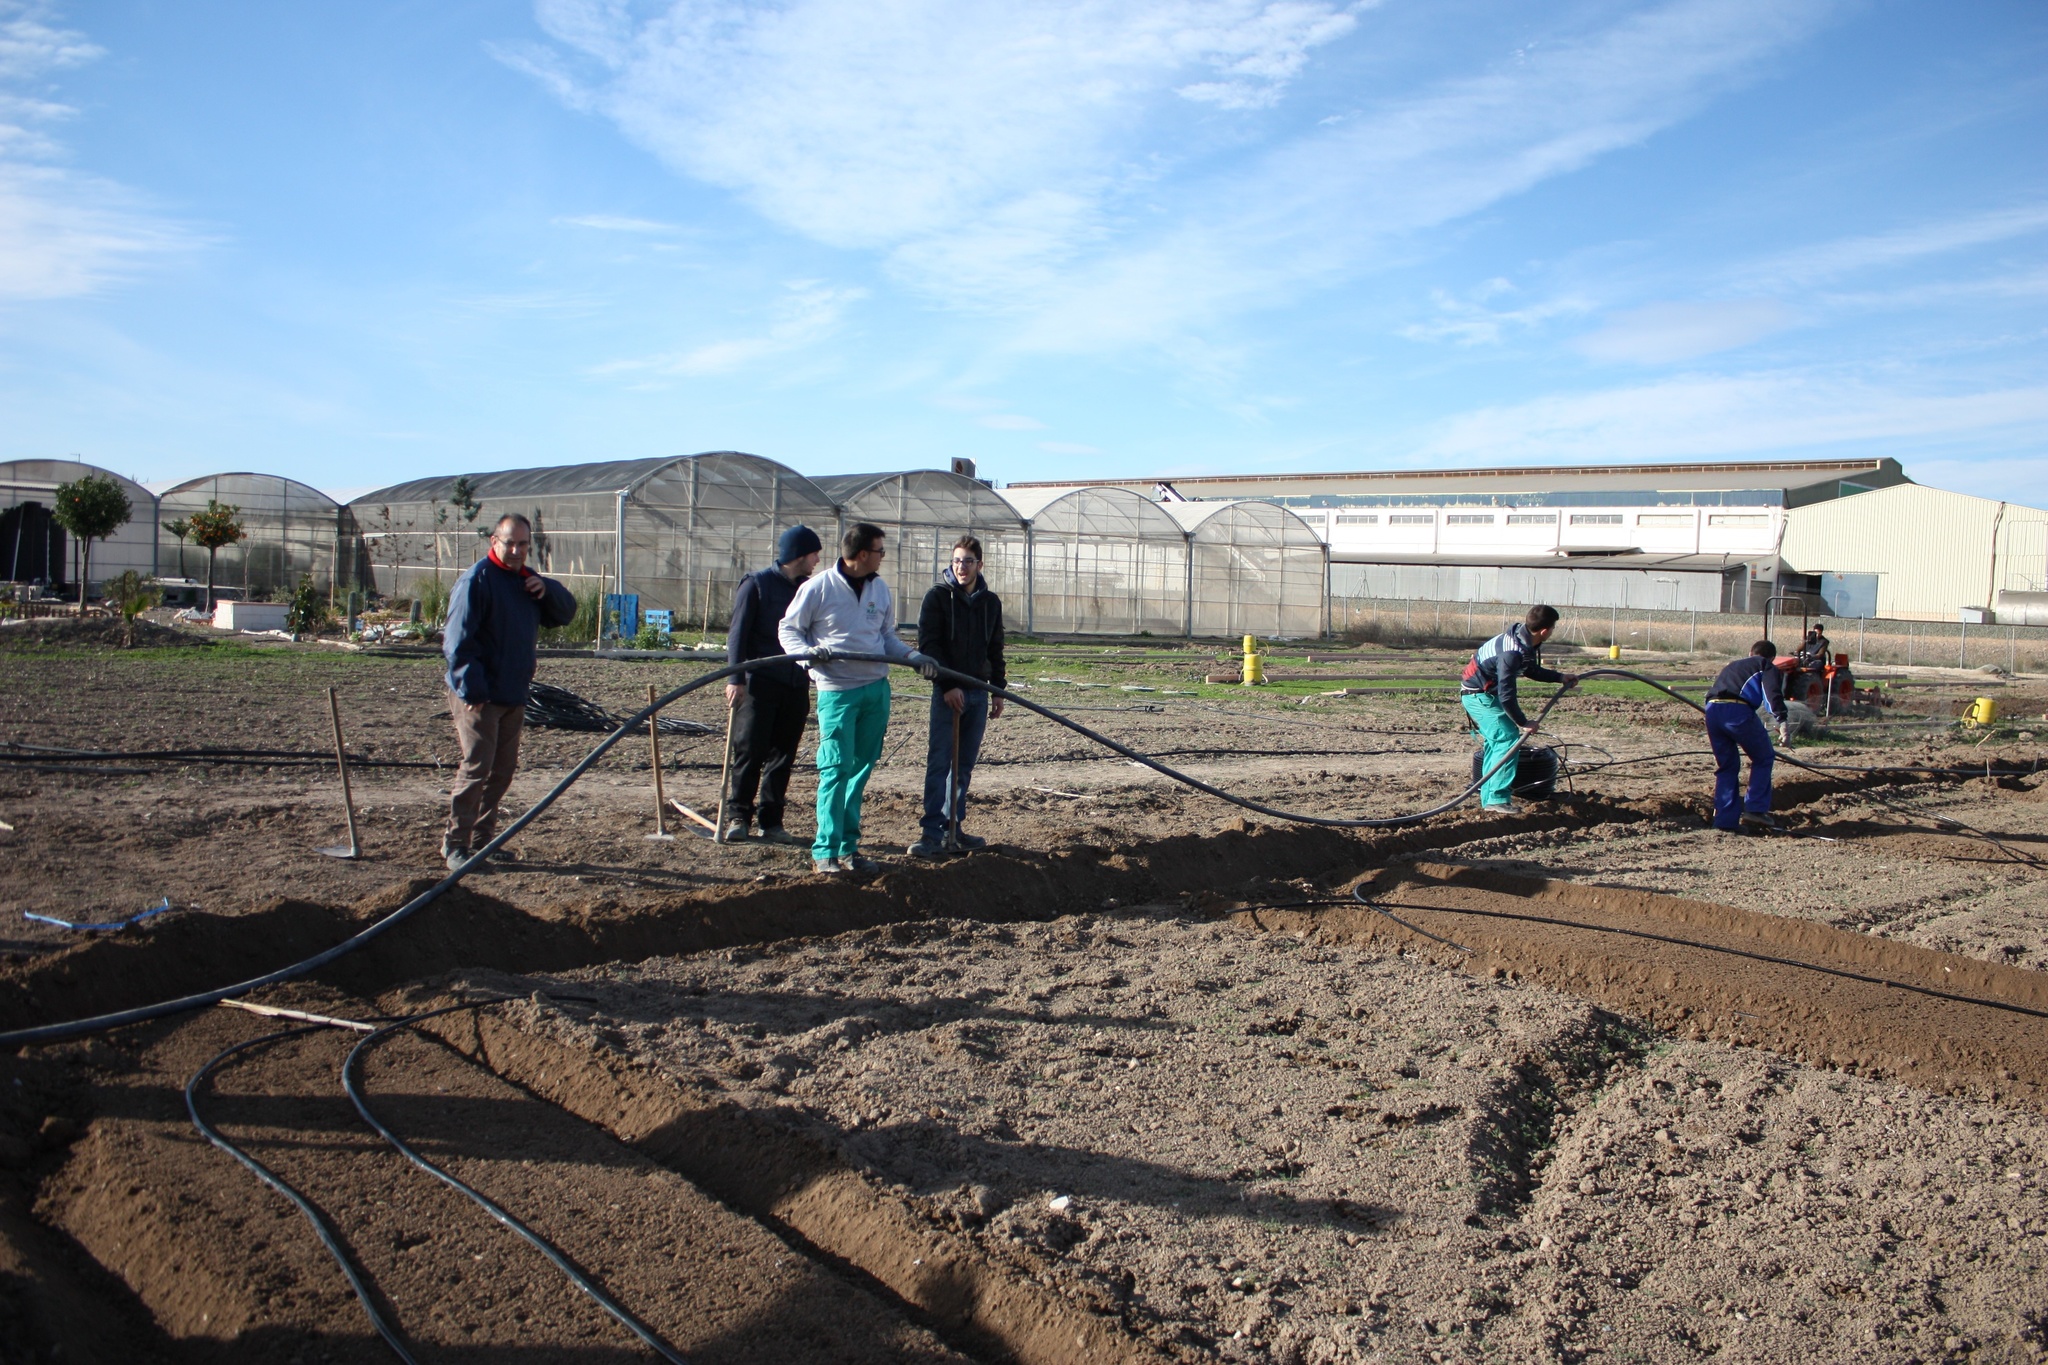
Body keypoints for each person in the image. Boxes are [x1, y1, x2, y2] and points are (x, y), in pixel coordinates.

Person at [777, 522, 937, 874]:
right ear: (862, 554)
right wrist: (807, 656)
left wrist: (913, 657)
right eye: (880, 551)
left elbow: (886, 637)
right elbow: (788, 628)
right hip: (838, 691)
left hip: (875, 690)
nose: (883, 557)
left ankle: (848, 848)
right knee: (835, 768)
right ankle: (825, 851)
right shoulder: (819, 588)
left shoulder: (879, 589)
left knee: (860, 769)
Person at [441, 513, 577, 870]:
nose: (516, 550)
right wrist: (473, 689)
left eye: (522, 545)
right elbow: (458, 642)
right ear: (494, 542)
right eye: (509, 543)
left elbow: (565, 614)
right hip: (480, 697)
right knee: (476, 768)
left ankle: (484, 843)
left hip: (513, 692)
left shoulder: (526, 583)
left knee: (502, 772)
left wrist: (547, 588)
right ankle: (456, 844)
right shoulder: (477, 581)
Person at [721, 525, 824, 843]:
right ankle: (739, 816)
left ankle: (771, 821)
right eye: (814, 555)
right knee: (751, 750)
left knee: (784, 754)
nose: (817, 561)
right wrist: (736, 678)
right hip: (760, 682)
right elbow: (738, 634)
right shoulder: (757, 585)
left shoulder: (809, 588)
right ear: (799, 555)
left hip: (795, 683)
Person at [908, 535, 1007, 858]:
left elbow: (995, 648)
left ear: (980, 564)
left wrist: (998, 690)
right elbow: (930, 646)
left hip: (978, 692)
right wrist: (946, 685)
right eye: (956, 561)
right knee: (940, 762)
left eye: (967, 561)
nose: (961, 567)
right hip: (948, 693)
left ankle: (954, 826)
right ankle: (931, 831)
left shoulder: (990, 603)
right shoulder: (937, 598)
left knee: (963, 766)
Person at [1459, 605, 1579, 813]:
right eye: (1553, 628)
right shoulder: (1511, 652)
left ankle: (1490, 798)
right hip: (1478, 696)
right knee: (1507, 737)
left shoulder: (1522, 640)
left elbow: (1530, 669)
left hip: (1487, 693)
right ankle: (1496, 799)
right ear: (1544, 631)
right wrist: (1524, 723)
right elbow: (1507, 695)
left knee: (1498, 741)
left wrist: (1559, 677)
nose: (1552, 631)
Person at [1704, 640, 1790, 833]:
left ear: (1750, 651)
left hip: (1712, 711)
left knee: (1728, 766)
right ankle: (1756, 810)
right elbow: (1772, 695)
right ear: (1772, 658)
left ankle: (1725, 821)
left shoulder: (1733, 665)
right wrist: (1782, 723)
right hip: (1737, 711)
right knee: (1764, 756)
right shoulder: (1765, 666)